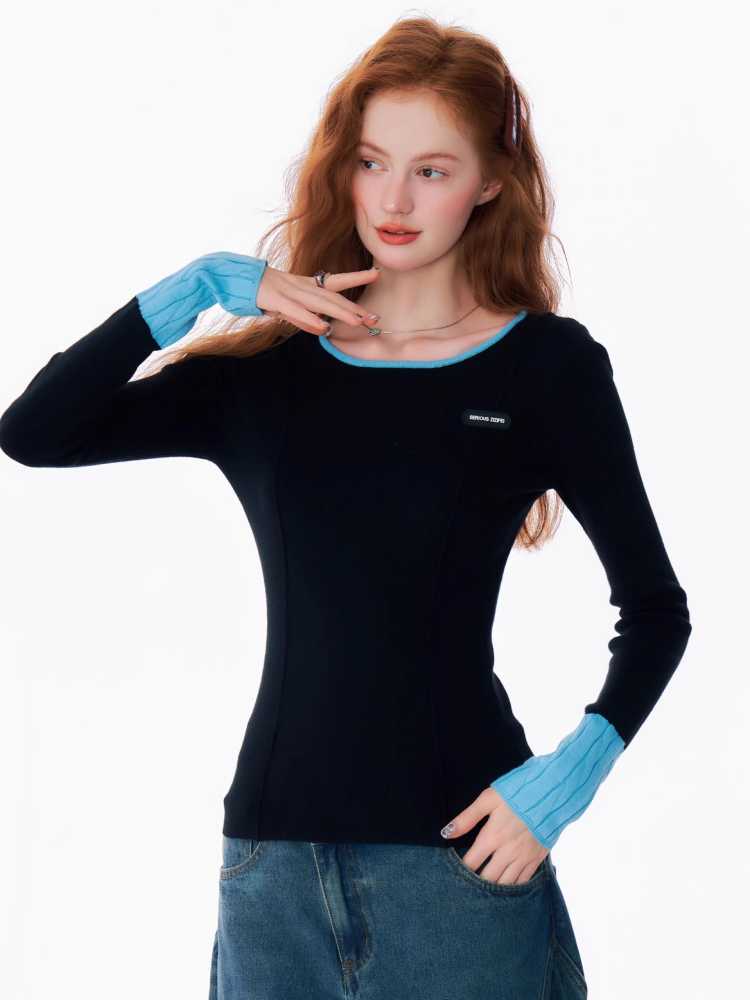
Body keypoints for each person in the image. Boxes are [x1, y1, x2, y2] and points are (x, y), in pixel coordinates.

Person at [0, 15, 691, 1000]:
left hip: (463, 864)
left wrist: (567, 777)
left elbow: (657, 611)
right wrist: (197, 287)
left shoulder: (547, 369)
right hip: (271, 870)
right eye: (372, 162)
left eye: (431, 170)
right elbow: (34, 433)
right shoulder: (267, 375)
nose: (394, 200)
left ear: (492, 181)